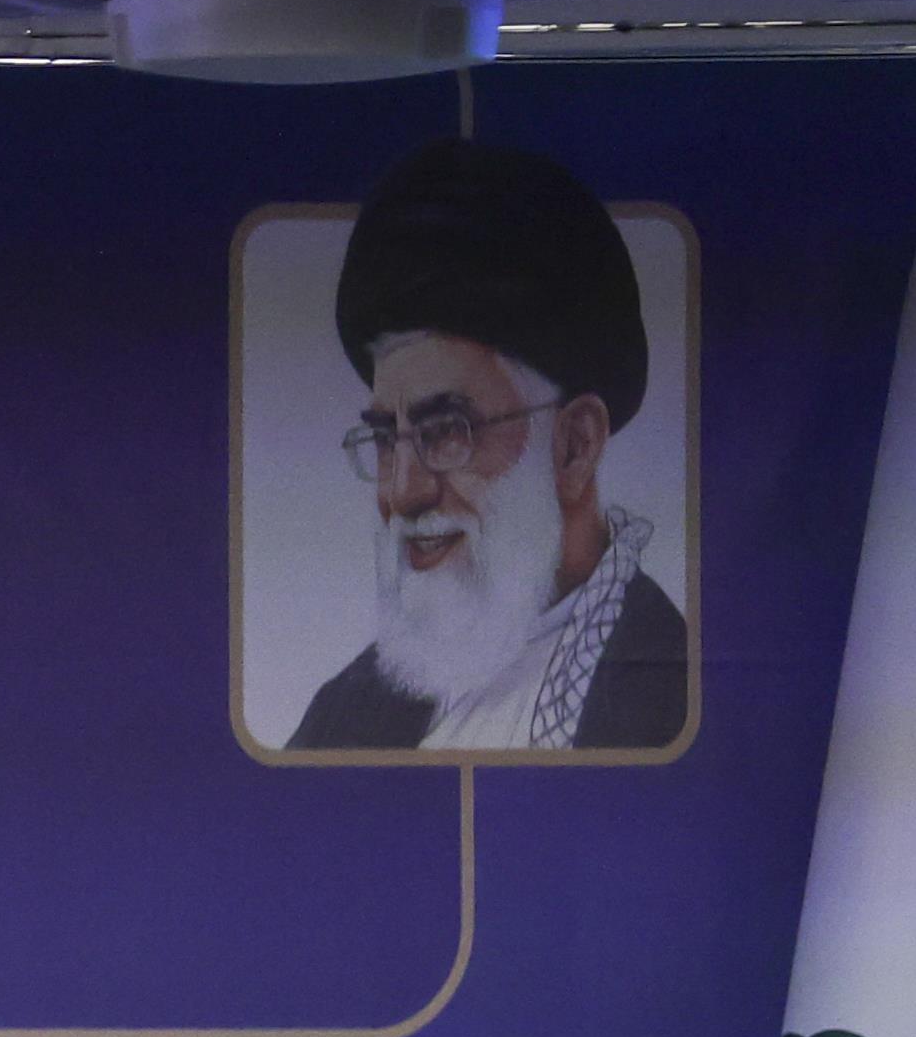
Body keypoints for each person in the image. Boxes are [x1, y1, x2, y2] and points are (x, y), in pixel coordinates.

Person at [286, 137, 687, 755]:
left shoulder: (670, 697)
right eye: (387, 438)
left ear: (575, 445)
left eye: (447, 429)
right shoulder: (345, 715)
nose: (402, 492)